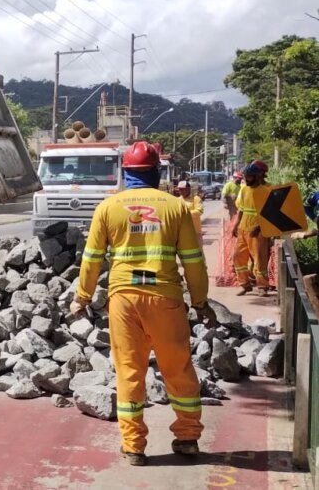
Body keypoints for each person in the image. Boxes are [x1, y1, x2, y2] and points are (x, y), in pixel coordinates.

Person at [72, 141, 215, 466]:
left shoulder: (108, 208)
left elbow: (92, 258)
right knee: (177, 367)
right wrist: (201, 302)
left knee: (129, 372)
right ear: (156, 172)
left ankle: (134, 446)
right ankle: (188, 437)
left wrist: (82, 296)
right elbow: (194, 261)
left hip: (123, 299)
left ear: (125, 172)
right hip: (165, 298)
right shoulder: (177, 207)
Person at [232, 160, 273, 296]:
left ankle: (262, 286)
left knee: (259, 259)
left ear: (258, 176)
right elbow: (241, 210)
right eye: (246, 176)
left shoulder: (266, 191)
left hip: (258, 230)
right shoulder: (244, 189)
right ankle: (245, 284)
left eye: (249, 176)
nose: (247, 179)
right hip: (243, 228)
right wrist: (235, 226)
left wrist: (260, 226)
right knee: (238, 256)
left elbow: (271, 212)